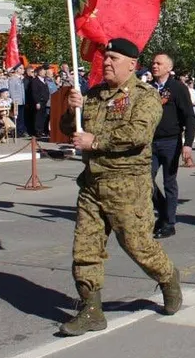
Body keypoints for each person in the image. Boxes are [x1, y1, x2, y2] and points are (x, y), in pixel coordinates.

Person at [58, 38, 181, 336]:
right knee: (85, 249)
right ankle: (91, 310)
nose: (107, 63)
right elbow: (70, 130)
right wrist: (69, 110)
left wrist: (95, 142)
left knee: (138, 247)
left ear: (132, 64)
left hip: (127, 187)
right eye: (105, 58)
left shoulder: (146, 96)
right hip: (92, 185)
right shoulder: (94, 95)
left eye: (113, 58)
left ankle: (168, 277)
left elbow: (138, 134)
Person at [149, 52, 195, 239]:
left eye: (159, 63)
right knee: (145, 180)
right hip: (150, 142)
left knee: (169, 182)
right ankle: (162, 211)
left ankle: (169, 222)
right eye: (153, 63)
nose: (154, 66)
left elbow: (189, 117)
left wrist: (188, 144)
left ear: (169, 67)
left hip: (171, 141)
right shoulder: (148, 88)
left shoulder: (177, 88)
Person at [25, 66, 50, 138]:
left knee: (43, 117)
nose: (44, 72)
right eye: (43, 71)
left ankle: (41, 130)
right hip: (39, 102)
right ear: (39, 72)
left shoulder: (44, 80)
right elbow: (34, 92)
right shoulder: (35, 81)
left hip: (44, 102)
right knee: (38, 117)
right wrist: (37, 102)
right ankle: (37, 132)